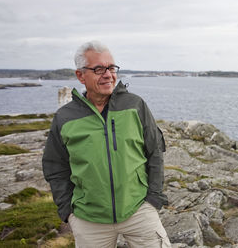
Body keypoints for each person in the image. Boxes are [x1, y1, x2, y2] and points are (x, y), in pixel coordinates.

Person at [42, 41, 171, 247]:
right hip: (88, 219)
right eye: (99, 69)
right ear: (80, 75)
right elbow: (55, 166)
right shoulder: (64, 118)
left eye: (111, 68)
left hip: (138, 210)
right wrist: (68, 211)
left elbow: (154, 151)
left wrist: (153, 197)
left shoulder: (135, 105)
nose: (108, 74)